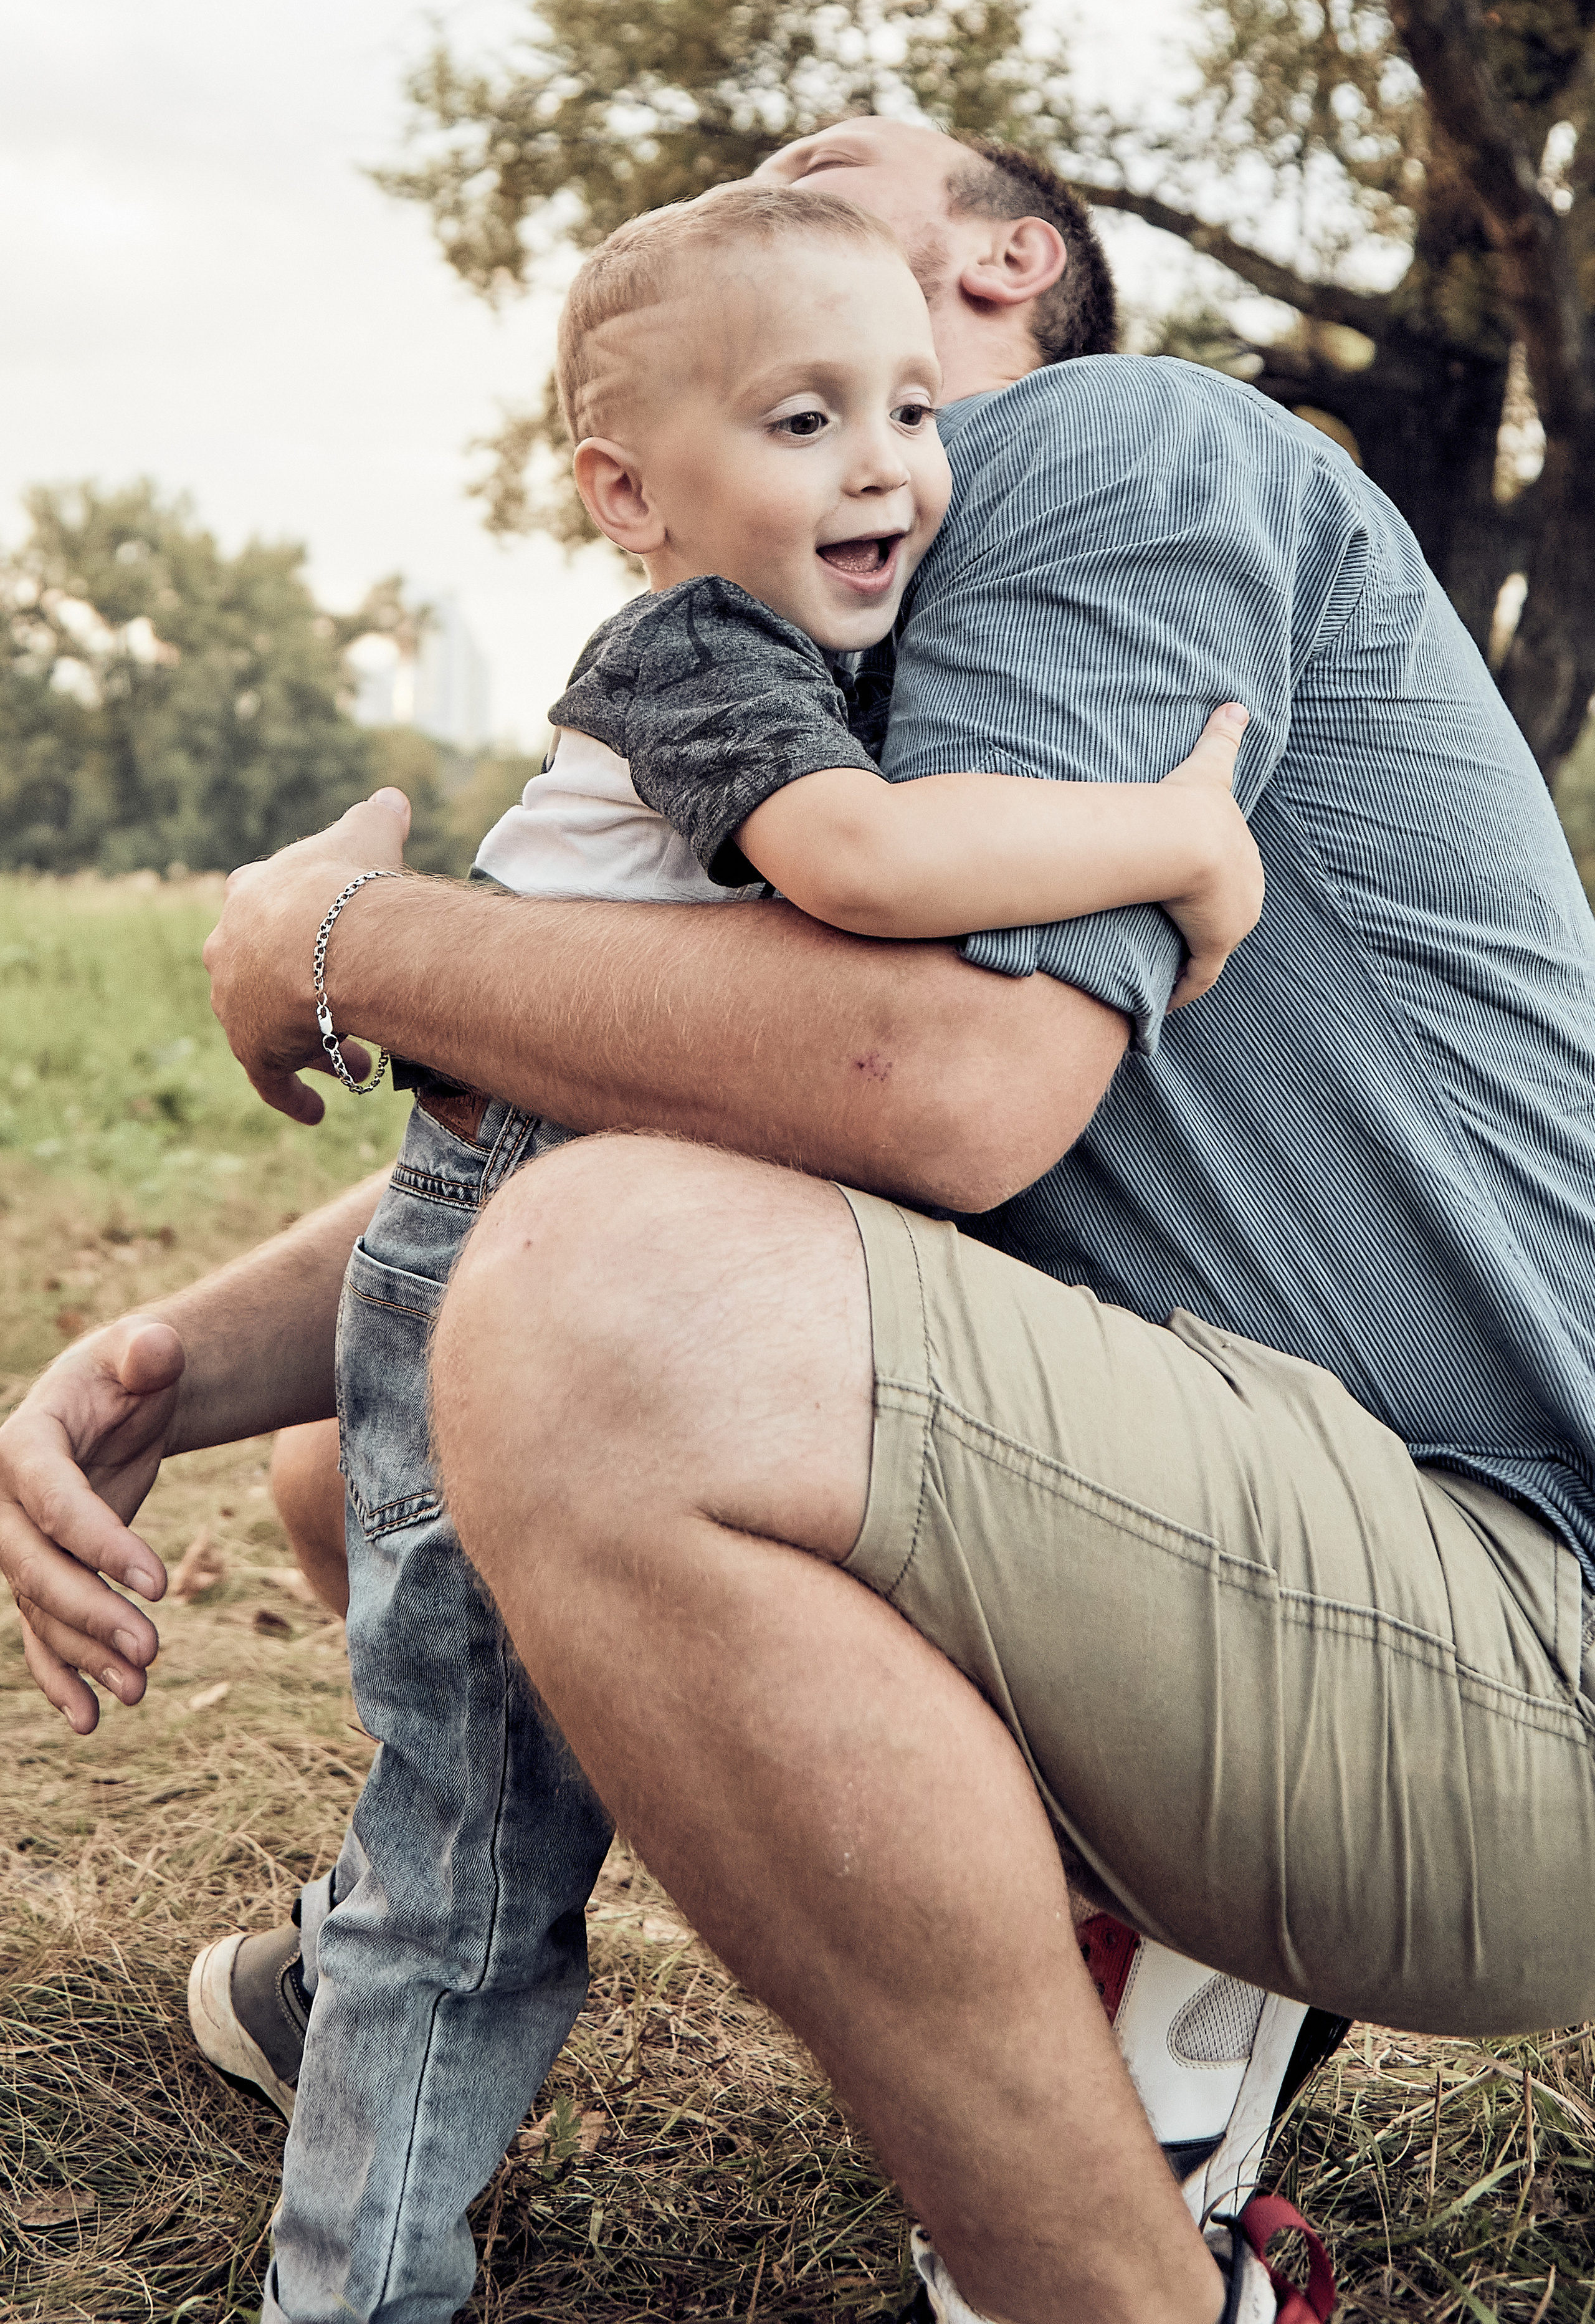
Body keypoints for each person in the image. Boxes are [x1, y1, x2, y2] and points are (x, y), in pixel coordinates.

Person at [5, 112, 1594, 2324]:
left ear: (1010, 266)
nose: (767, 207)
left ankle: (1133, 2267)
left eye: (826, 178)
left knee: (585, 1325)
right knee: (373, 1428)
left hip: (1516, 1629)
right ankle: (436, 1935)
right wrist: (163, 1367)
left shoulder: (1112, 448)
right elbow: (656, 1089)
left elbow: (936, 1080)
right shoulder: (847, 646)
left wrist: (341, 940)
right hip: (1294, 1539)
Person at [191, 175, 1273, 2324]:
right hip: (505, 1257)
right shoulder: (696, 657)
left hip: (593, 1252)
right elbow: (862, 864)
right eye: (802, 422)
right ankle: (354, 2282)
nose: (885, 465)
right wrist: (1176, 833)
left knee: (495, 1844)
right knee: (468, 1872)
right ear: (629, 494)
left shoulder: (816, 642)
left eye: (911, 411)